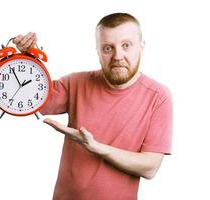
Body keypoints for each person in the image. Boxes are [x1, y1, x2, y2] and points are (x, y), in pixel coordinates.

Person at [13, 13, 172, 200]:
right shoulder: (75, 83)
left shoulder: (158, 97)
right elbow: (32, 98)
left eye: (126, 45)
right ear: (98, 51)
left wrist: (96, 147)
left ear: (141, 48)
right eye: (107, 48)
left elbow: (150, 167)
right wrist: (30, 57)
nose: (117, 56)